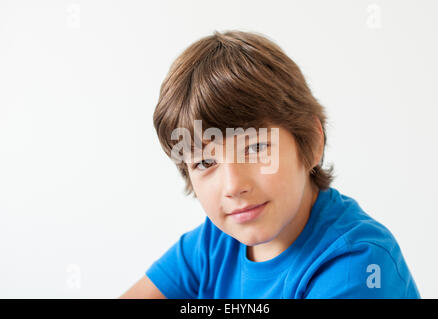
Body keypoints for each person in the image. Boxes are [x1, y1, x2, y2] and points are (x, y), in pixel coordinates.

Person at [119, 30, 420, 299]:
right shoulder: (213, 244)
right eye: (206, 161)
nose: (234, 185)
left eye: (256, 147)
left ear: (312, 143)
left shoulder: (357, 265)